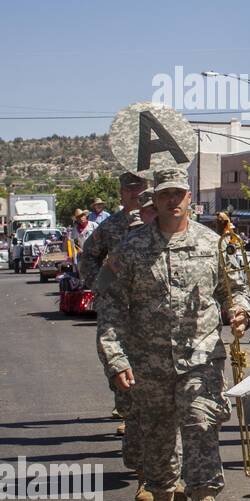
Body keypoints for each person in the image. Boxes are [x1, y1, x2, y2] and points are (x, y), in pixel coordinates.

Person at [96, 167, 250, 501]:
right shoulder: (131, 249)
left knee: (201, 426)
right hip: (149, 361)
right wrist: (115, 359)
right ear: (155, 199)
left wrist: (242, 311)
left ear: (188, 197)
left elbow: (235, 288)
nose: (172, 201)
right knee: (159, 435)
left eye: (179, 193)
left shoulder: (211, 242)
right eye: (165, 194)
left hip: (201, 358)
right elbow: (110, 307)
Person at [80, 171, 150, 437]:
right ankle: (127, 409)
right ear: (121, 194)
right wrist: (100, 285)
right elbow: (88, 257)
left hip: (148, 299)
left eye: (141, 188)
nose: (136, 193)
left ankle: (140, 414)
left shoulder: (157, 221)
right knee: (115, 356)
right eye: (130, 189)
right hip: (117, 302)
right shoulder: (111, 226)